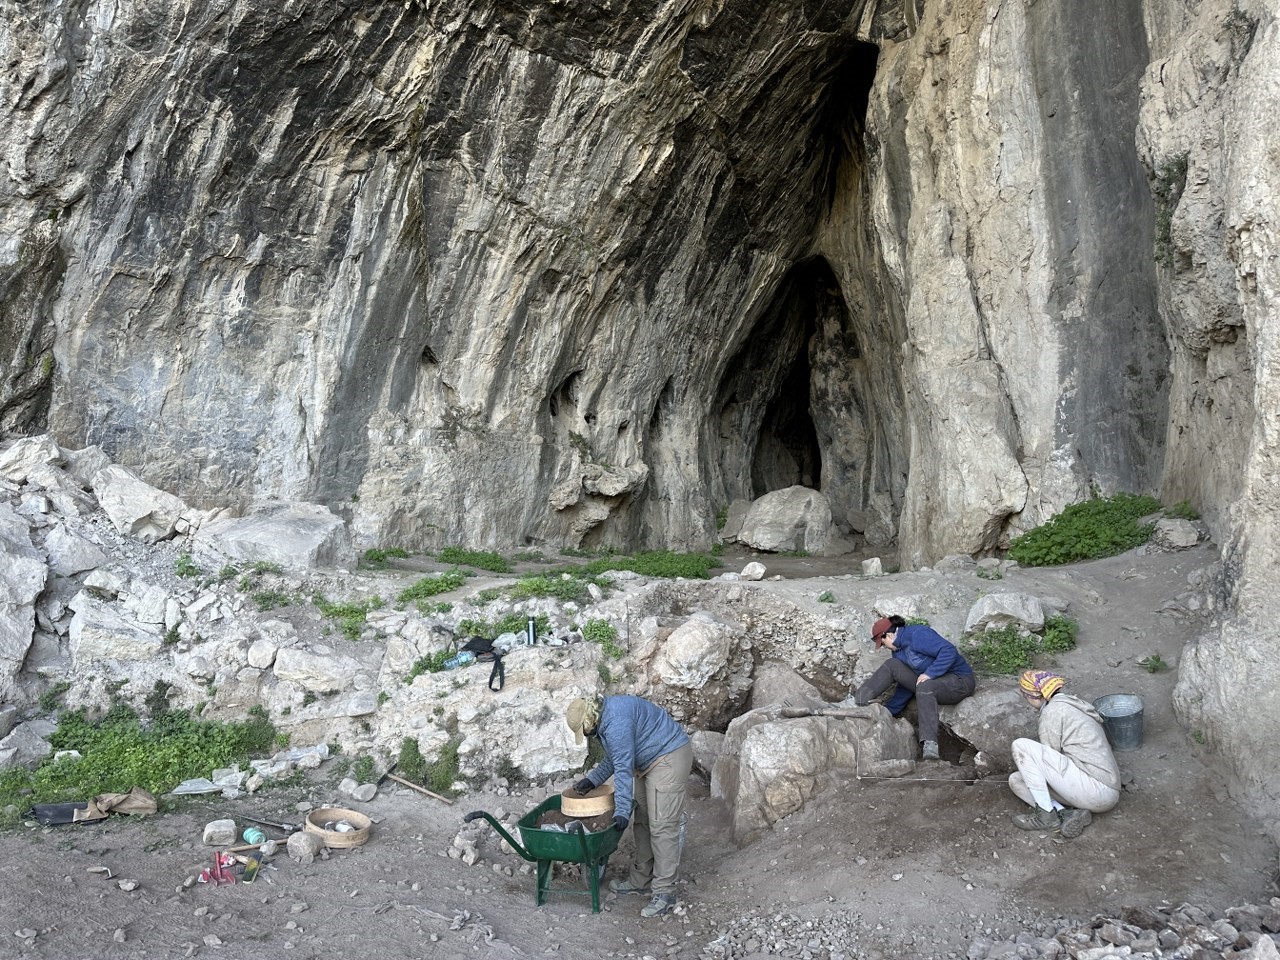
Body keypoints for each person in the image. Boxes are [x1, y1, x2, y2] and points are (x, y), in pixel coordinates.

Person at [565, 695, 692, 918]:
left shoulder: (616, 722)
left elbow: (623, 768)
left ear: (589, 720)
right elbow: (617, 756)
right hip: (650, 761)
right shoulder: (607, 717)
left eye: (583, 731)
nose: (585, 736)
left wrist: (622, 810)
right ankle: (640, 880)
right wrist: (593, 780)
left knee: (662, 827)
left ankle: (664, 893)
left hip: (668, 757)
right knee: (643, 820)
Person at [1008, 670, 1121, 838]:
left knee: (1021, 746)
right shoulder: (1071, 703)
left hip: (1097, 788)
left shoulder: (1053, 712)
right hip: (1100, 788)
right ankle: (1065, 814)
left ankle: (1046, 816)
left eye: (1025, 696)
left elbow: (1049, 757)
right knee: (1016, 780)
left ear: (1033, 696)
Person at [853, 615, 976, 760]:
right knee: (893, 665)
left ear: (890, 635)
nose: (883, 647)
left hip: (959, 681)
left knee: (925, 685)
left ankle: (930, 744)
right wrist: (889, 711)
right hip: (933, 682)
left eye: (883, 643)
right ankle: (859, 701)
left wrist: (931, 673)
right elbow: (906, 685)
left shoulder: (917, 634)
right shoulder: (897, 650)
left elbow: (948, 651)